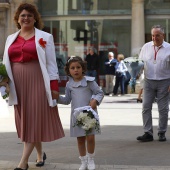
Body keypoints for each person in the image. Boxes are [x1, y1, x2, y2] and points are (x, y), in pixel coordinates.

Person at [2, 3, 65, 170]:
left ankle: (23, 163)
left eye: (30, 15)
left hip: (37, 80)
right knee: (26, 120)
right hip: (17, 83)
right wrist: (4, 81)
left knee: (33, 119)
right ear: (18, 18)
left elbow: (51, 64)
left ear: (35, 18)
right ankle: (39, 154)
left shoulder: (45, 37)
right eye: (23, 15)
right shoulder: (11, 38)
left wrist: (54, 87)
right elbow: (5, 63)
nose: (26, 18)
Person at [56, 56, 104, 170]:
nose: (76, 70)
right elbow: (67, 100)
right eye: (72, 68)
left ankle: (91, 159)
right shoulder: (69, 85)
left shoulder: (89, 81)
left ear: (83, 68)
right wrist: (57, 98)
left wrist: (95, 100)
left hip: (89, 114)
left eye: (78, 67)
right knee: (80, 139)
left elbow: (99, 92)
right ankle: (83, 161)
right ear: (69, 70)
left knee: (91, 138)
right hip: (77, 115)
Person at [137, 25, 170, 142]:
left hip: (165, 81)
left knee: (163, 109)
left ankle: (161, 132)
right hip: (149, 81)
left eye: (157, 35)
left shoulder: (169, 48)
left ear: (163, 36)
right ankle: (148, 132)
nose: (154, 38)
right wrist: (136, 73)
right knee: (146, 106)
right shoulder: (146, 47)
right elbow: (140, 63)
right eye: (153, 35)